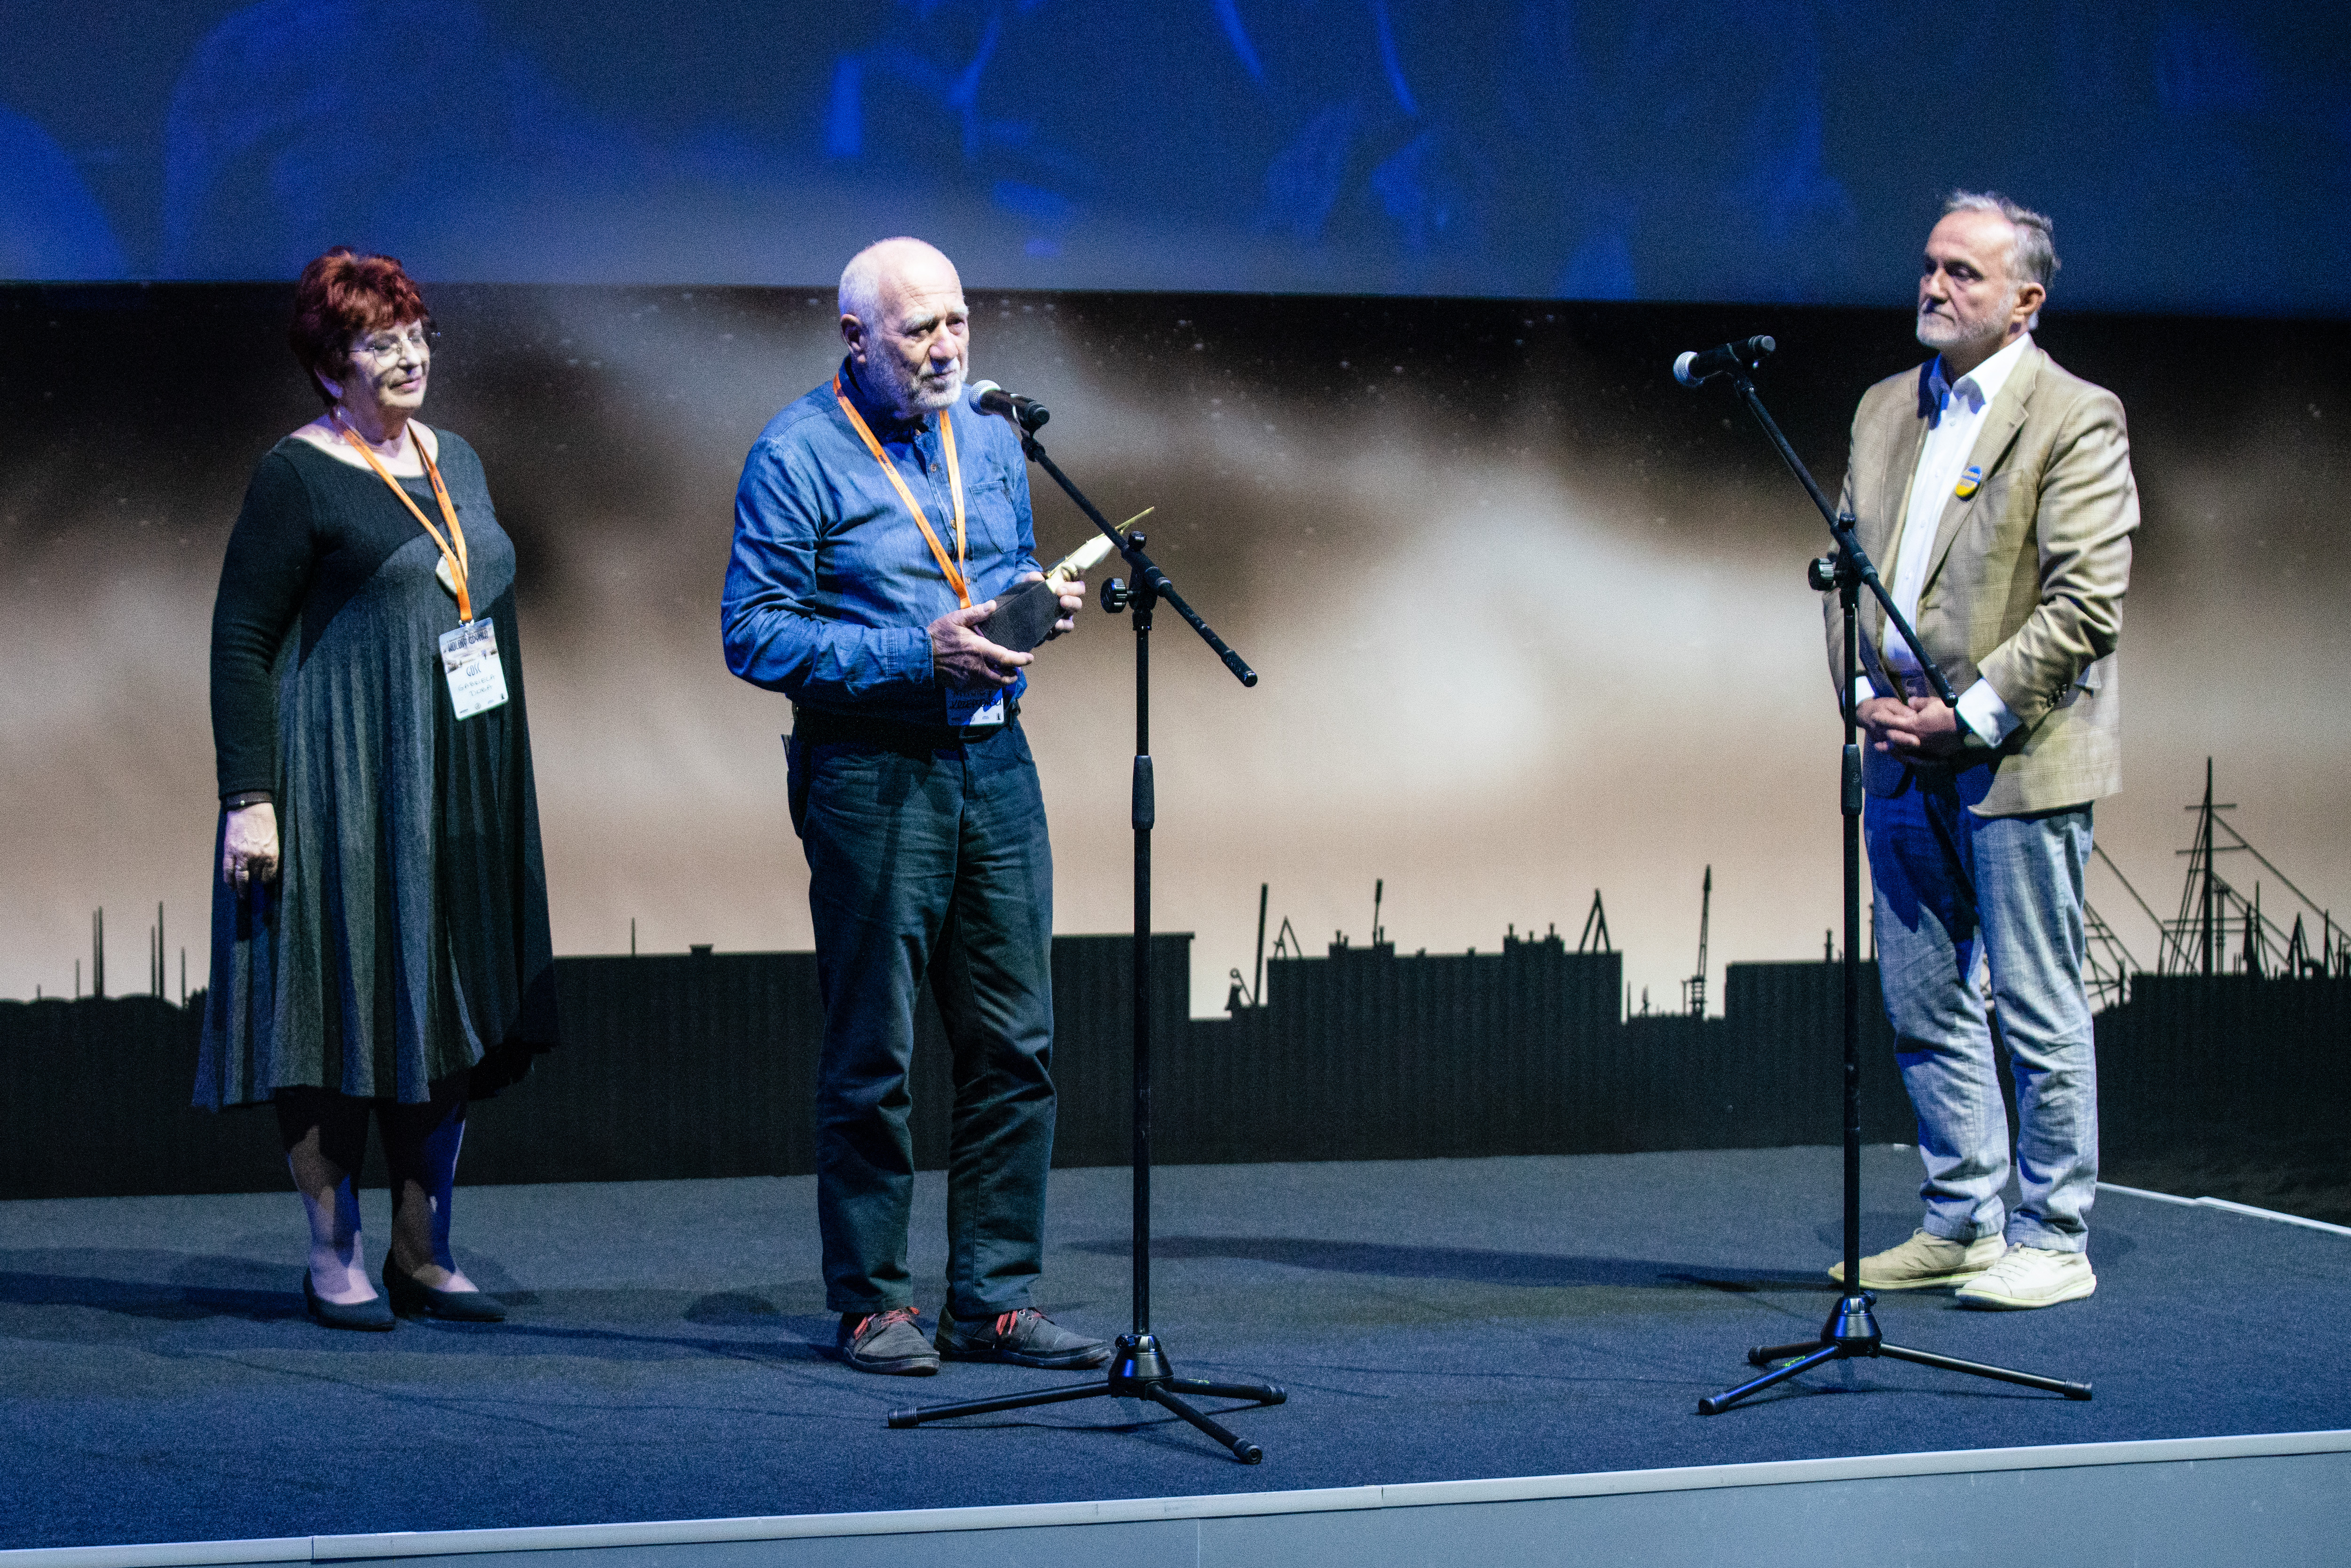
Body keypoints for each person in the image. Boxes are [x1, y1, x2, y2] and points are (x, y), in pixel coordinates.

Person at [722, 237, 1107, 1376]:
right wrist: (914, 654)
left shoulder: (990, 433)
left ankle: (992, 1297)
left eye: (957, 322)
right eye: (918, 329)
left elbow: (988, 577)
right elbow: (753, 632)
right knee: (874, 1051)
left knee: (1013, 1044)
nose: (946, 348)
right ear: (855, 337)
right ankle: (872, 1303)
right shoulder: (796, 453)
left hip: (996, 765)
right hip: (869, 775)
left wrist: (1034, 612)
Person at [201, 247, 556, 1330]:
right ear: (328, 365)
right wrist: (249, 798)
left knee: (439, 1004)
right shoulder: (297, 474)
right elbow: (240, 642)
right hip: (341, 779)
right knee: (333, 1007)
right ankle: (335, 1252)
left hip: (454, 781)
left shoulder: (459, 460)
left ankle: (424, 1249)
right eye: (378, 343)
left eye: (415, 336)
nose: (407, 359)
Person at [1823, 193, 2137, 1309]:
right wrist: (1864, 695)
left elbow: (2085, 603)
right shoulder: (1881, 410)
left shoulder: (2074, 416)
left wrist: (1972, 713)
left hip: (2017, 754)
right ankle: (1962, 1218)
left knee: (2037, 1004)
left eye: (1963, 272)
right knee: (1922, 1000)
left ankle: (2053, 1236)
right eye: (1929, 266)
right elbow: (1843, 575)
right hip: (1902, 753)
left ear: (2023, 302)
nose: (1934, 287)